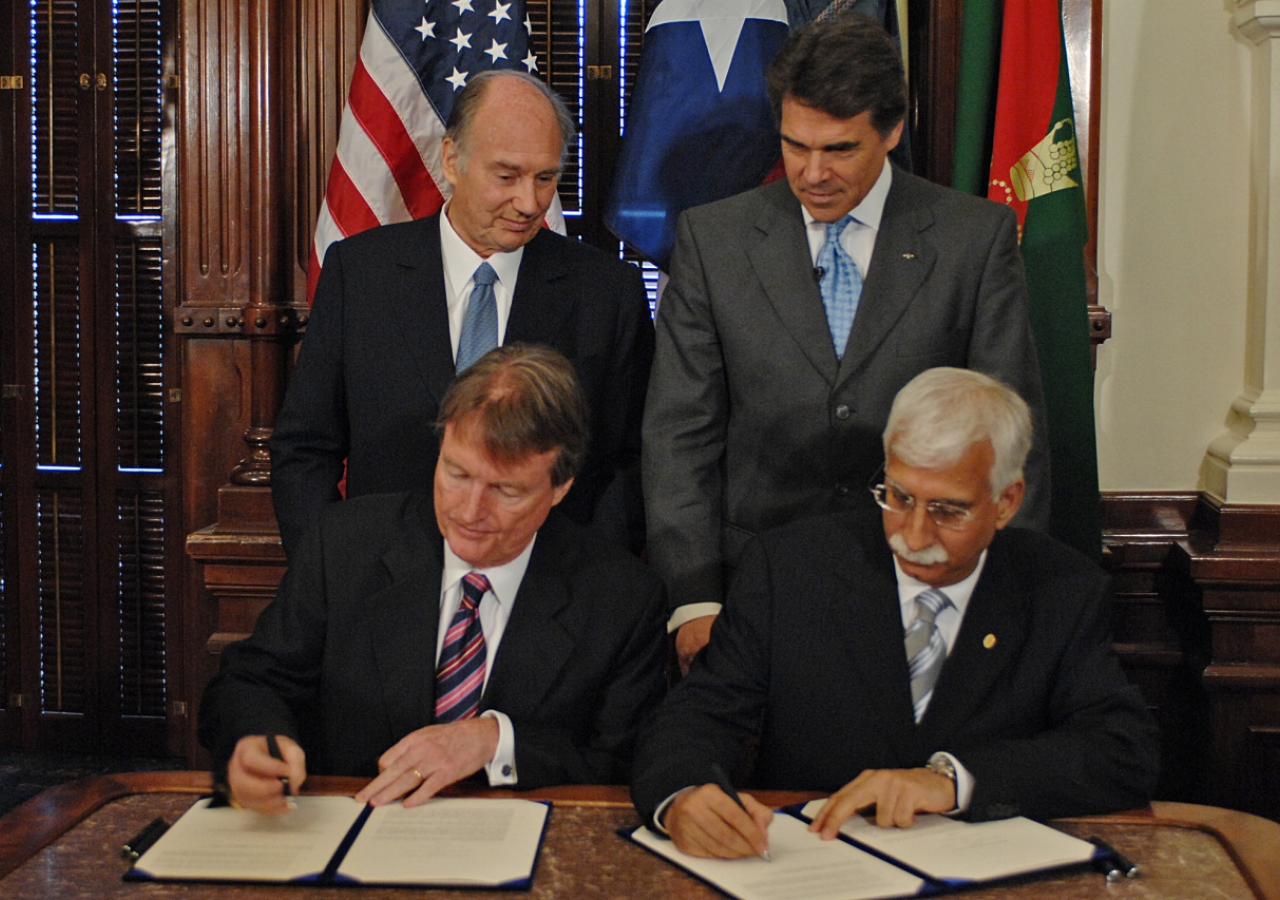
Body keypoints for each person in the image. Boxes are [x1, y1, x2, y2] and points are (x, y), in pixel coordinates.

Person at [643, 13, 1051, 671]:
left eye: (839, 149)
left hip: (927, 584)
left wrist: (1003, 599)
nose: (812, 173)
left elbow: (1011, 440)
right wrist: (694, 598)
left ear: (891, 131)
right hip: (754, 594)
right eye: (795, 145)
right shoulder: (712, 241)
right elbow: (678, 433)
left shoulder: (974, 241)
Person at [631, 367, 1157, 859]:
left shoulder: (1059, 588)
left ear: (1006, 501)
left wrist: (951, 781)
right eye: (899, 497)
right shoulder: (790, 568)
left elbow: (1122, 749)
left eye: (948, 509)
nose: (914, 534)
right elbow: (696, 717)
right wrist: (682, 794)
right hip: (818, 866)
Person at [202, 345, 668, 814]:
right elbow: (252, 680)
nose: (469, 512)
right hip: (355, 834)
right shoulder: (347, 545)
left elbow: (625, 763)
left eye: (505, 490)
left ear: (561, 487)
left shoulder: (620, 596)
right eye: (456, 473)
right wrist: (256, 742)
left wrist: (496, 742)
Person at [271, 70, 654, 561]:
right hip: (385, 588)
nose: (530, 203)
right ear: (452, 160)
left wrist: (590, 586)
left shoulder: (607, 291)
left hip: (552, 595)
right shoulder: (362, 273)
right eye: (507, 176)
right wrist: (331, 579)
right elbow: (304, 449)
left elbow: (630, 462)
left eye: (545, 178)